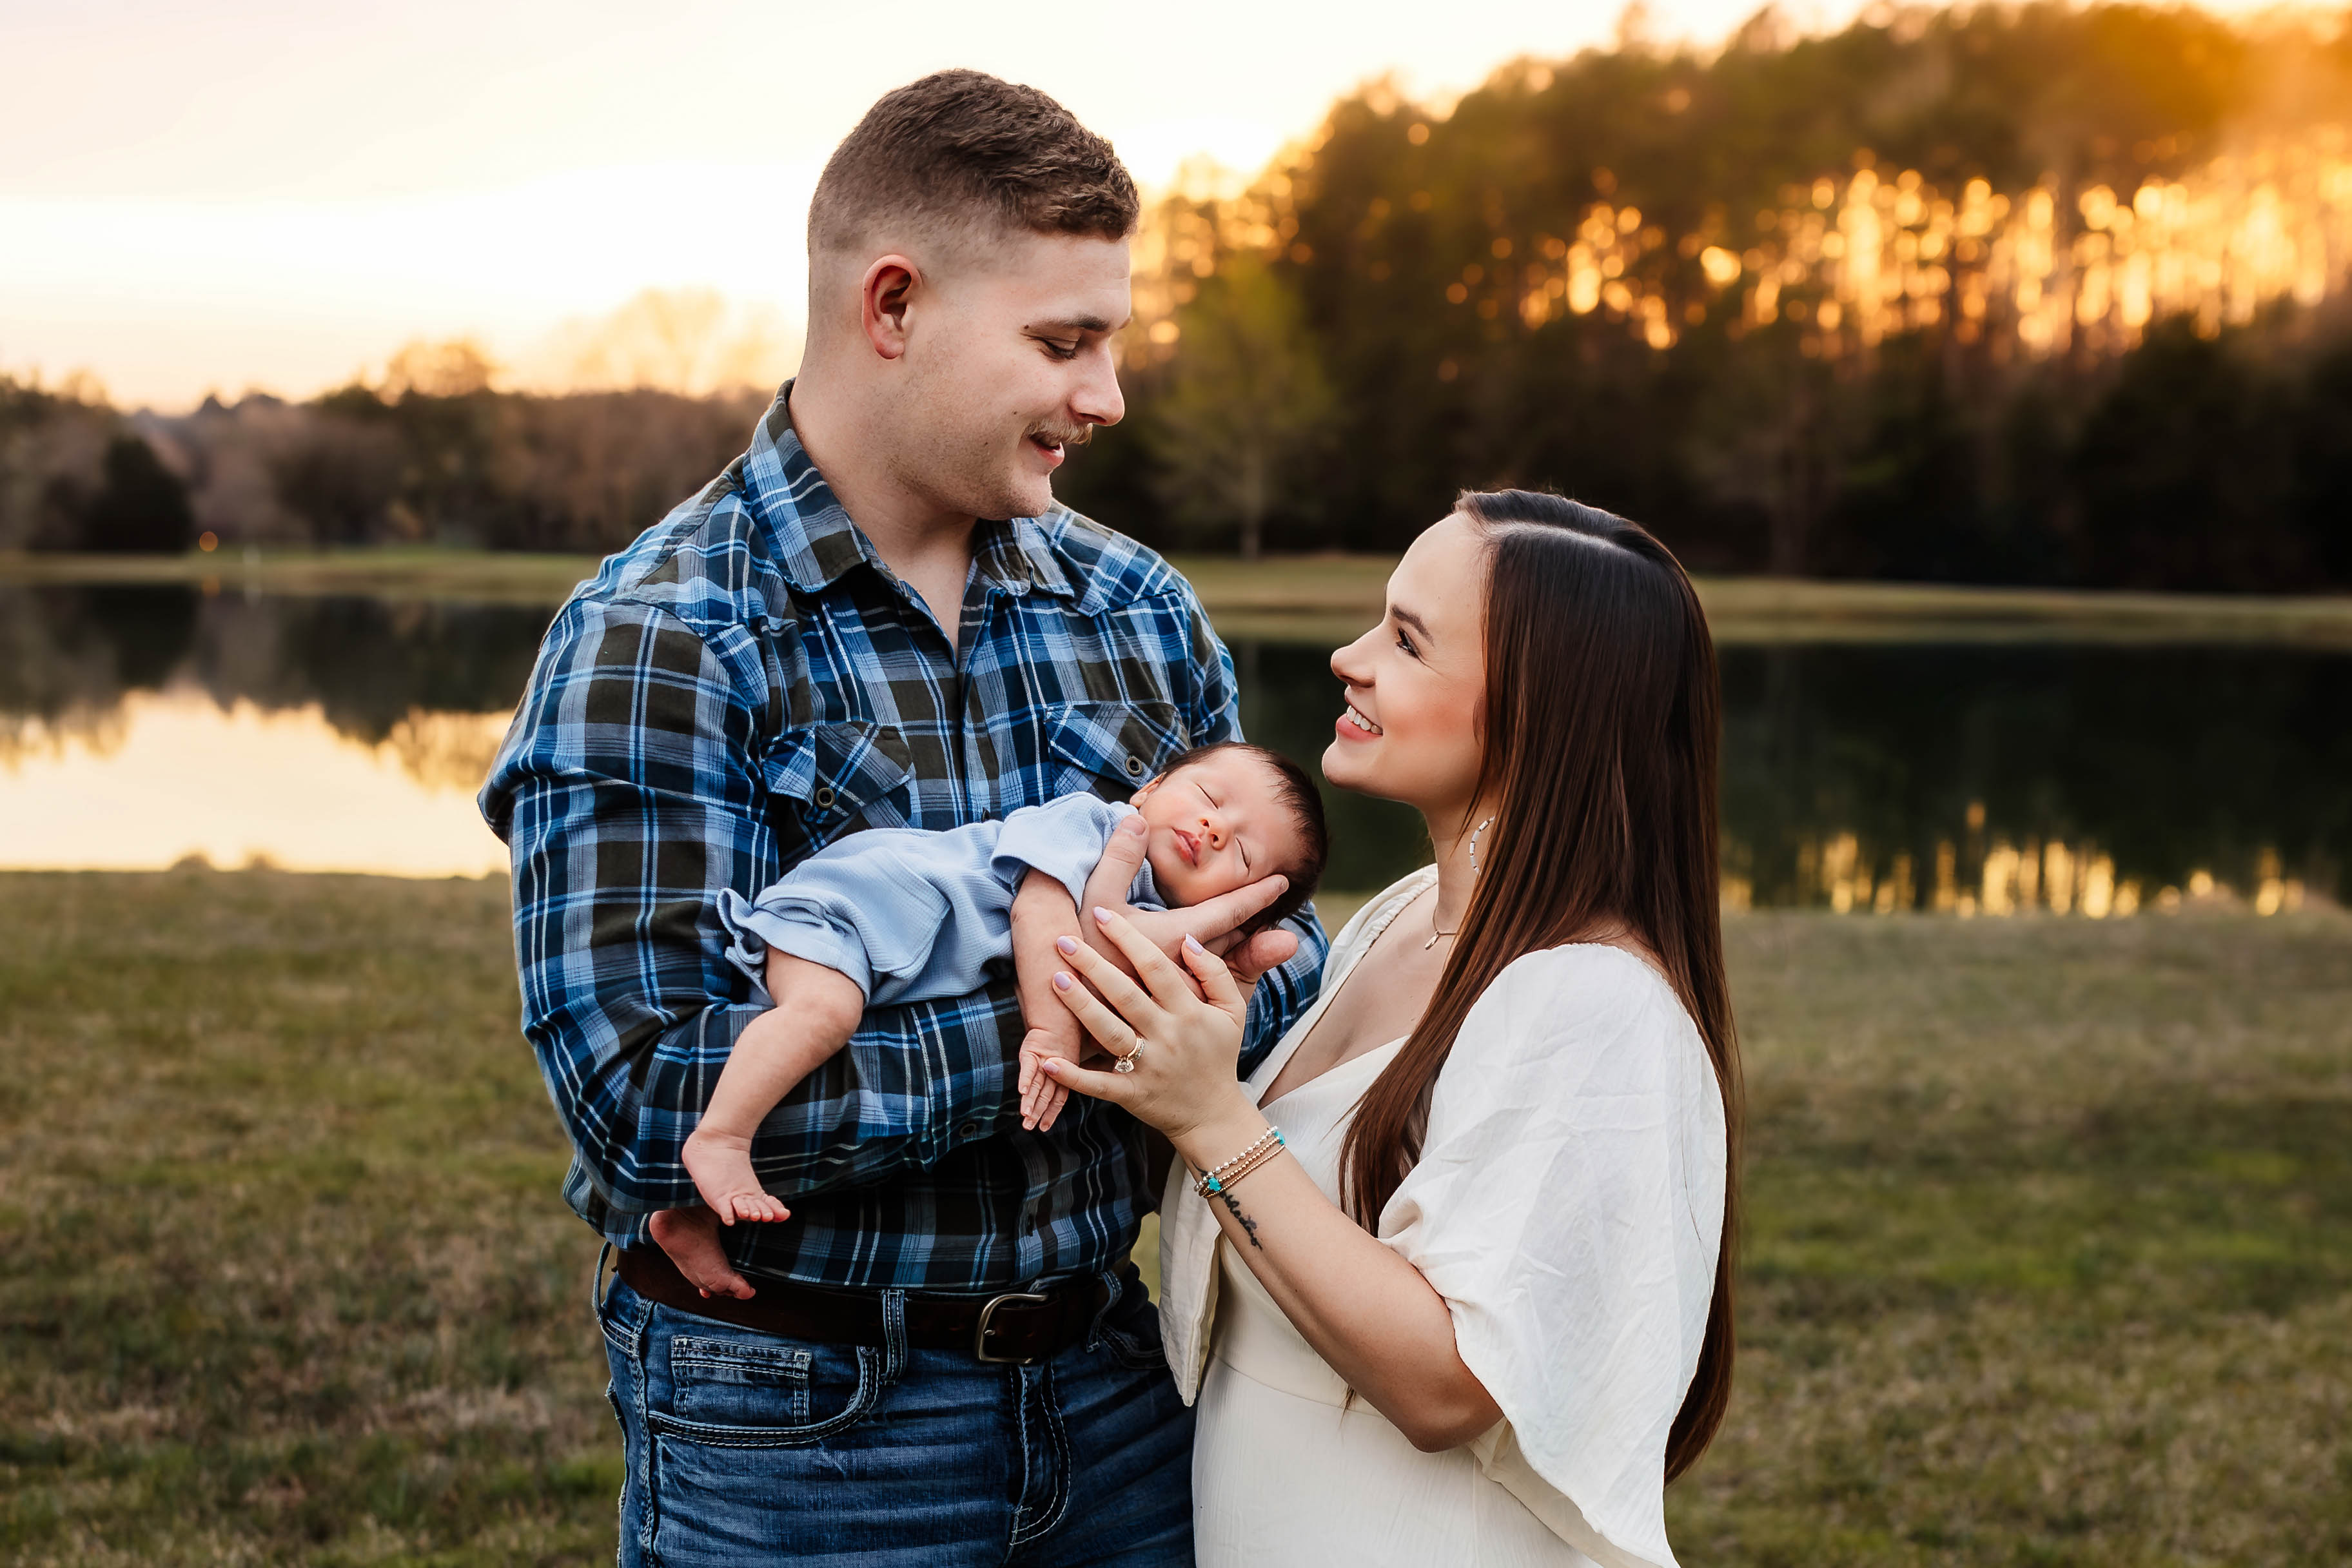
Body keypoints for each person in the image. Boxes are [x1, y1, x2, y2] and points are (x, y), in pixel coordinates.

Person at [478, 70, 1327, 1565]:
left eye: (1110, 342)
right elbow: (648, 1102)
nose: (1107, 397)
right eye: (1063, 342)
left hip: (1121, 1390)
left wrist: (1137, 1007)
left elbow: (1285, 953)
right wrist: (1080, 1022)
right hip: (801, 1425)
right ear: (893, 306)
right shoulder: (661, 636)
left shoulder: (1140, 609)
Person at [1039, 490, 1741, 1568]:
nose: (1347, 658)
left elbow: (1445, 1384)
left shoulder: (1592, 1004)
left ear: (1537, 712)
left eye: (1407, 641)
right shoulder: (1400, 916)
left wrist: (1209, 1114)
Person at [658, 741, 1328, 1300]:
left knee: (800, 1053)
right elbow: (1041, 915)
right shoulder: (1090, 826)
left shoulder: (1157, 914)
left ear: (1248, 903)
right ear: (1150, 790)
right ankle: (719, 1139)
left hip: (894, 964)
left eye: (1242, 855)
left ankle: (684, 1210)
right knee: (824, 1016)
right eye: (1209, 797)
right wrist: (1051, 1033)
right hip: (852, 912)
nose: (1214, 828)